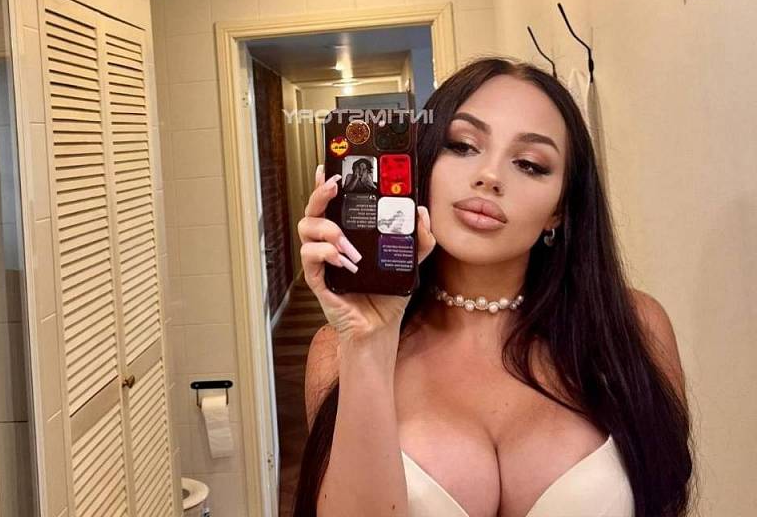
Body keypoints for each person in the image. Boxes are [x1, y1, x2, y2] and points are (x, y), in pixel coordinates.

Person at [293, 57, 696, 517]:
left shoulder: (634, 328)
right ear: (422, 164)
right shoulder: (337, 351)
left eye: (530, 164)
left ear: (559, 210)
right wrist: (370, 341)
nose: (489, 176)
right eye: (463, 145)